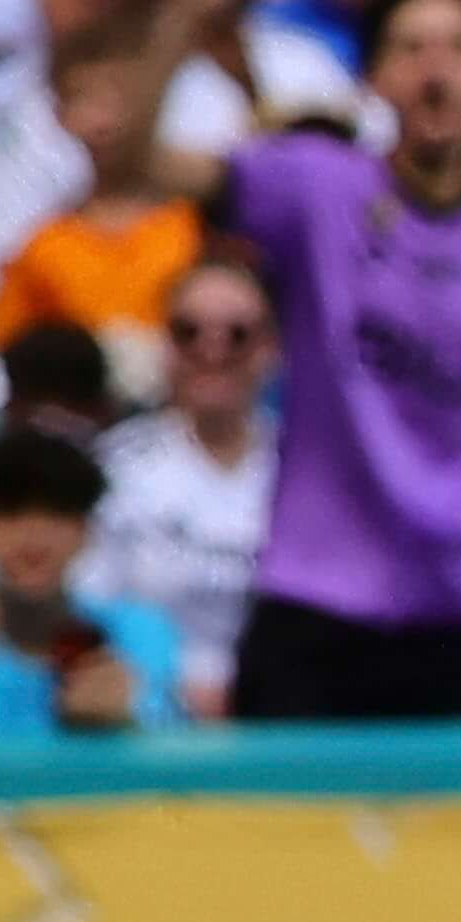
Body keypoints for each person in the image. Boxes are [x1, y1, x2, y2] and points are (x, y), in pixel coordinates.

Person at [227, 0, 461, 721]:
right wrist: (184, 11)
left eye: (459, 48)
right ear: (375, 76)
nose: (435, 68)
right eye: (411, 48)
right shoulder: (316, 187)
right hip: (320, 598)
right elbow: (148, 166)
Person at [0, 427, 181, 732]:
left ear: (86, 531)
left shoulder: (135, 630)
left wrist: (122, 719)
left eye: (55, 515)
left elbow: (169, 749)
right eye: (12, 513)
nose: (33, 540)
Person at [85, 251, 276, 713]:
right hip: (145, 714)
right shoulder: (114, 468)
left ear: (271, 347)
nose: (213, 352)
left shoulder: (306, 470)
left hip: (276, 713)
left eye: (237, 335)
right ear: (165, 345)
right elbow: (90, 607)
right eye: (189, 333)